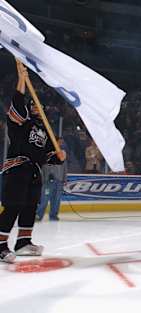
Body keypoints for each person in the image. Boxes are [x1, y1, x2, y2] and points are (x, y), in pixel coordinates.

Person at [0, 61, 66, 263]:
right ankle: (1, 245)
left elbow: (47, 157)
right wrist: (21, 80)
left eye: (40, 107)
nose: (37, 108)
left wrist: (59, 157)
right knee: (13, 205)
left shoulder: (45, 131)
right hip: (18, 168)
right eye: (33, 105)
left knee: (30, 206)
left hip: (35, 172)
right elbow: (17, 104)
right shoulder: (21, 123)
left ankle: (23, 242)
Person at [36, 138, 68, 221]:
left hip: (59, 180)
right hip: (48, 181)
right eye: (59, 141)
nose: (61, 143)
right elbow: (43, 166)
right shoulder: (47, 152)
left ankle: (53, 215)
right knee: (44, 198)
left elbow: (65, 166)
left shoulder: (63, 153)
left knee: (56, 200)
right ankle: (38, 215)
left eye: (61, 142)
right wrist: (46, 176)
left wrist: (64, 179)